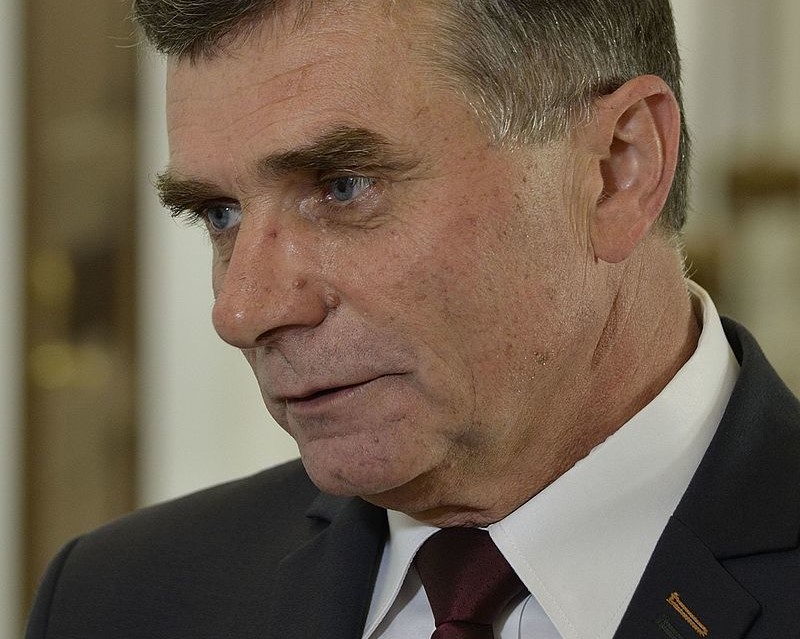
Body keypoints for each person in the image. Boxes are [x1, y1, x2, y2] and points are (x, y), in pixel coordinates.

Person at [26, 1, 799, 638]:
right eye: (219, 213)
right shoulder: (117, 601)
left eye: (343, 186)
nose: (242, 310)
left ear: (618, 168)